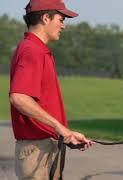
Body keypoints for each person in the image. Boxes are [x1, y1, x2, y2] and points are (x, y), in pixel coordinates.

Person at [9, 0, 94, 179]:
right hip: (36, 150)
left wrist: (66, 135)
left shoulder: (38, 50)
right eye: (61, 19)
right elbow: (19, 97)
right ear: (46, 18)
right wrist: (60, 128)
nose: (63, 26)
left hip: (45, 146)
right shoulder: (32, 50)